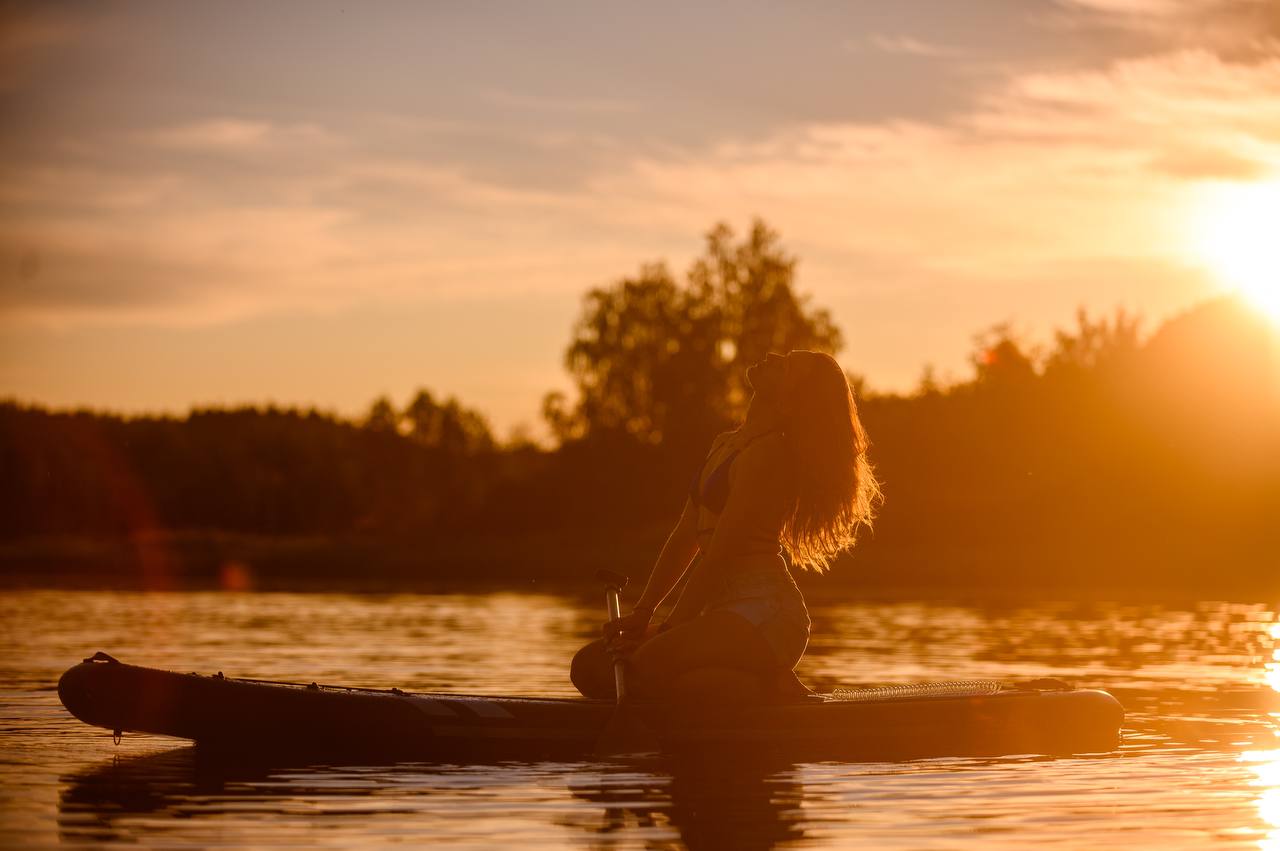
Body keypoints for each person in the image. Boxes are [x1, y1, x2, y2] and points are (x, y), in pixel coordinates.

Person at [570, 350, 881, 704]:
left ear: (792, 398)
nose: (773, 358)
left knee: (645, 667)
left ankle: (765, 687)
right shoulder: (725, 443)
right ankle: (763, 683)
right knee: (591, 666)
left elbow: (719, 555)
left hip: (767, 614)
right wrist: (644, 614)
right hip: (720, 611)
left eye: (786, 367)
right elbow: (685, 536)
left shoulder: (769, 455)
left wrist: (670, 629)